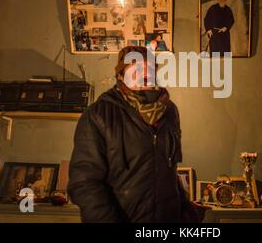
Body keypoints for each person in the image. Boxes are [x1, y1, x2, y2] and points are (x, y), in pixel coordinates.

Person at [67, 46, 203, 223]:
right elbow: (84, 183)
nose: (146, 74)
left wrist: (187, 212)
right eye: (137, 68)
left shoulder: (169, 111)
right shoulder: (98, 115)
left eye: (151, 69)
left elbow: (168, 171)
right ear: (121, 76)